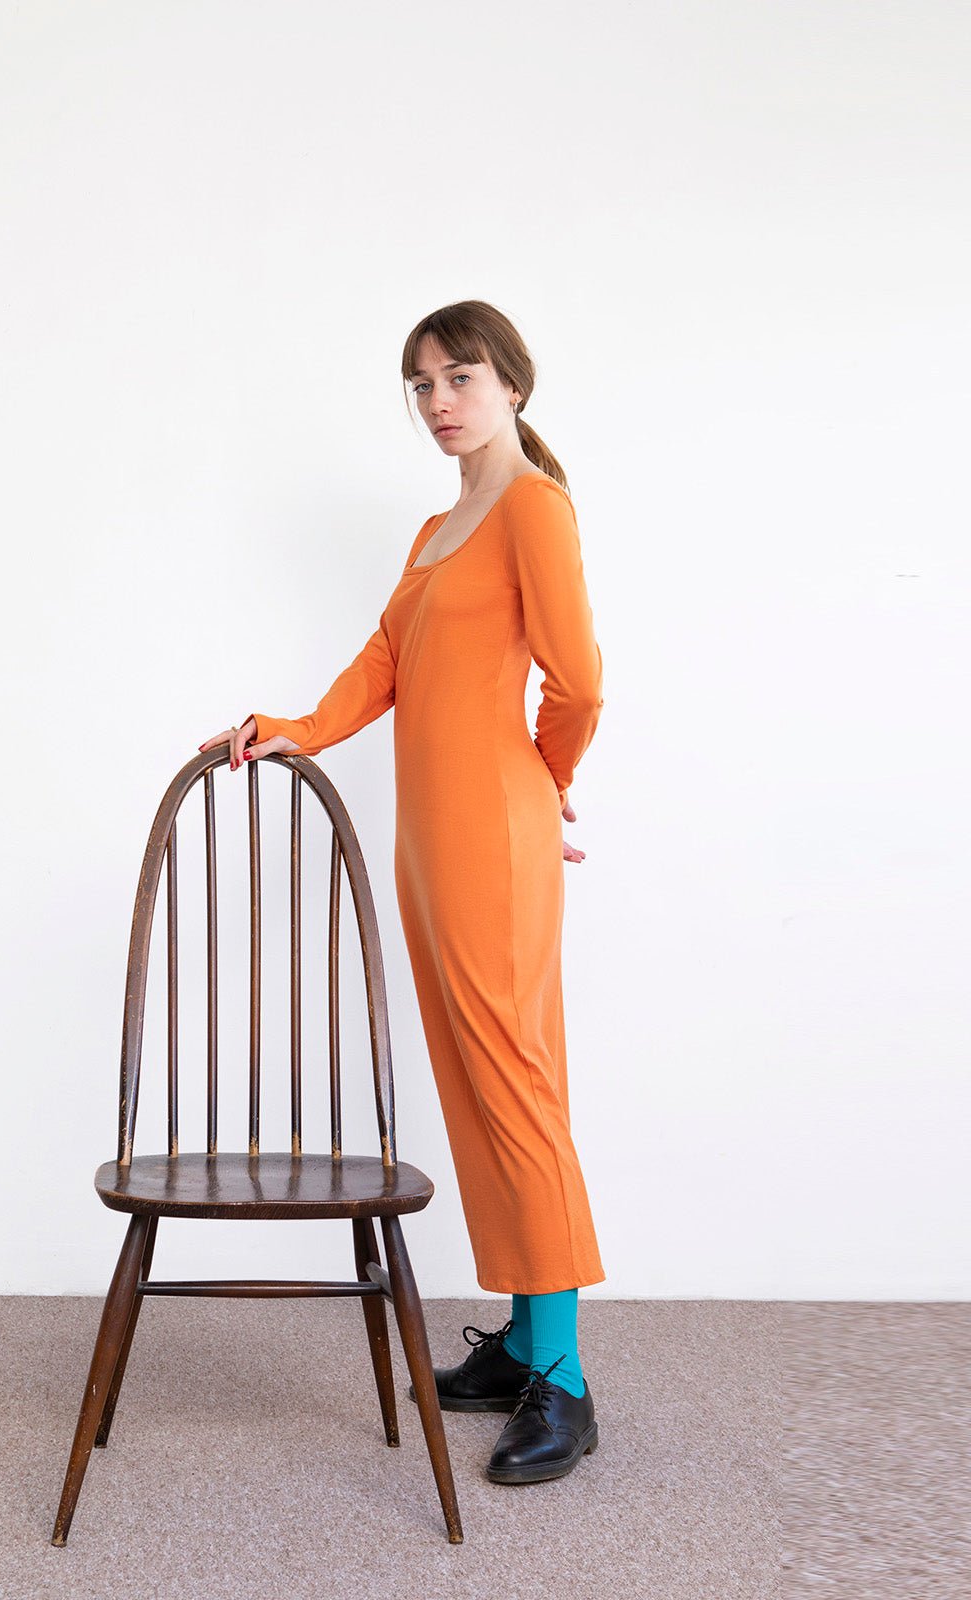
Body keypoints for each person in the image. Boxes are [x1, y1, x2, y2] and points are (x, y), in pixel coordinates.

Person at [199, 300, 606, 1486]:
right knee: (476, 1080)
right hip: (432, 836)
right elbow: (387, 662)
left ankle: (565, 1379)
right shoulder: (439, 527)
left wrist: (547, 786)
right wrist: (297, 727)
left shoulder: (532, 506)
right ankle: (524, 1337)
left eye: (460, 377)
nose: (438, 402)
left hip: (494, 827)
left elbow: (579, 682)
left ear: (512, 384)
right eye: (421, 384)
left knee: (516, 1082)